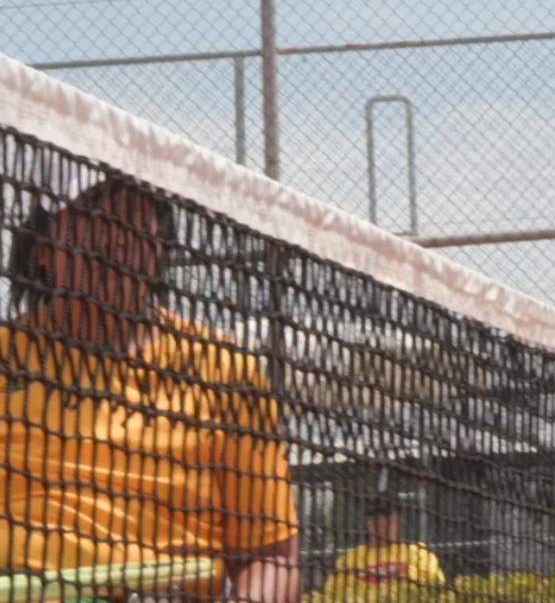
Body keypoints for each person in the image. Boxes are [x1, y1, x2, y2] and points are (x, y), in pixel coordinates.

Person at [0, 177, 301, 602]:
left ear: (160, 242)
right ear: (44, 245)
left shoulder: (225, 370)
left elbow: (273, 557)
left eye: (136, 212)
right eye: (94, 210)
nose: (117, 233)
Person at [320, 498, 445, 599]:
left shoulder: (417, 553)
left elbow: (433, 587)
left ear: (397, 520)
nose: (382, 522)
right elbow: (333, 593)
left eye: (387, 515)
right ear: (368, 522)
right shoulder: (350, 558)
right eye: (375, 516)